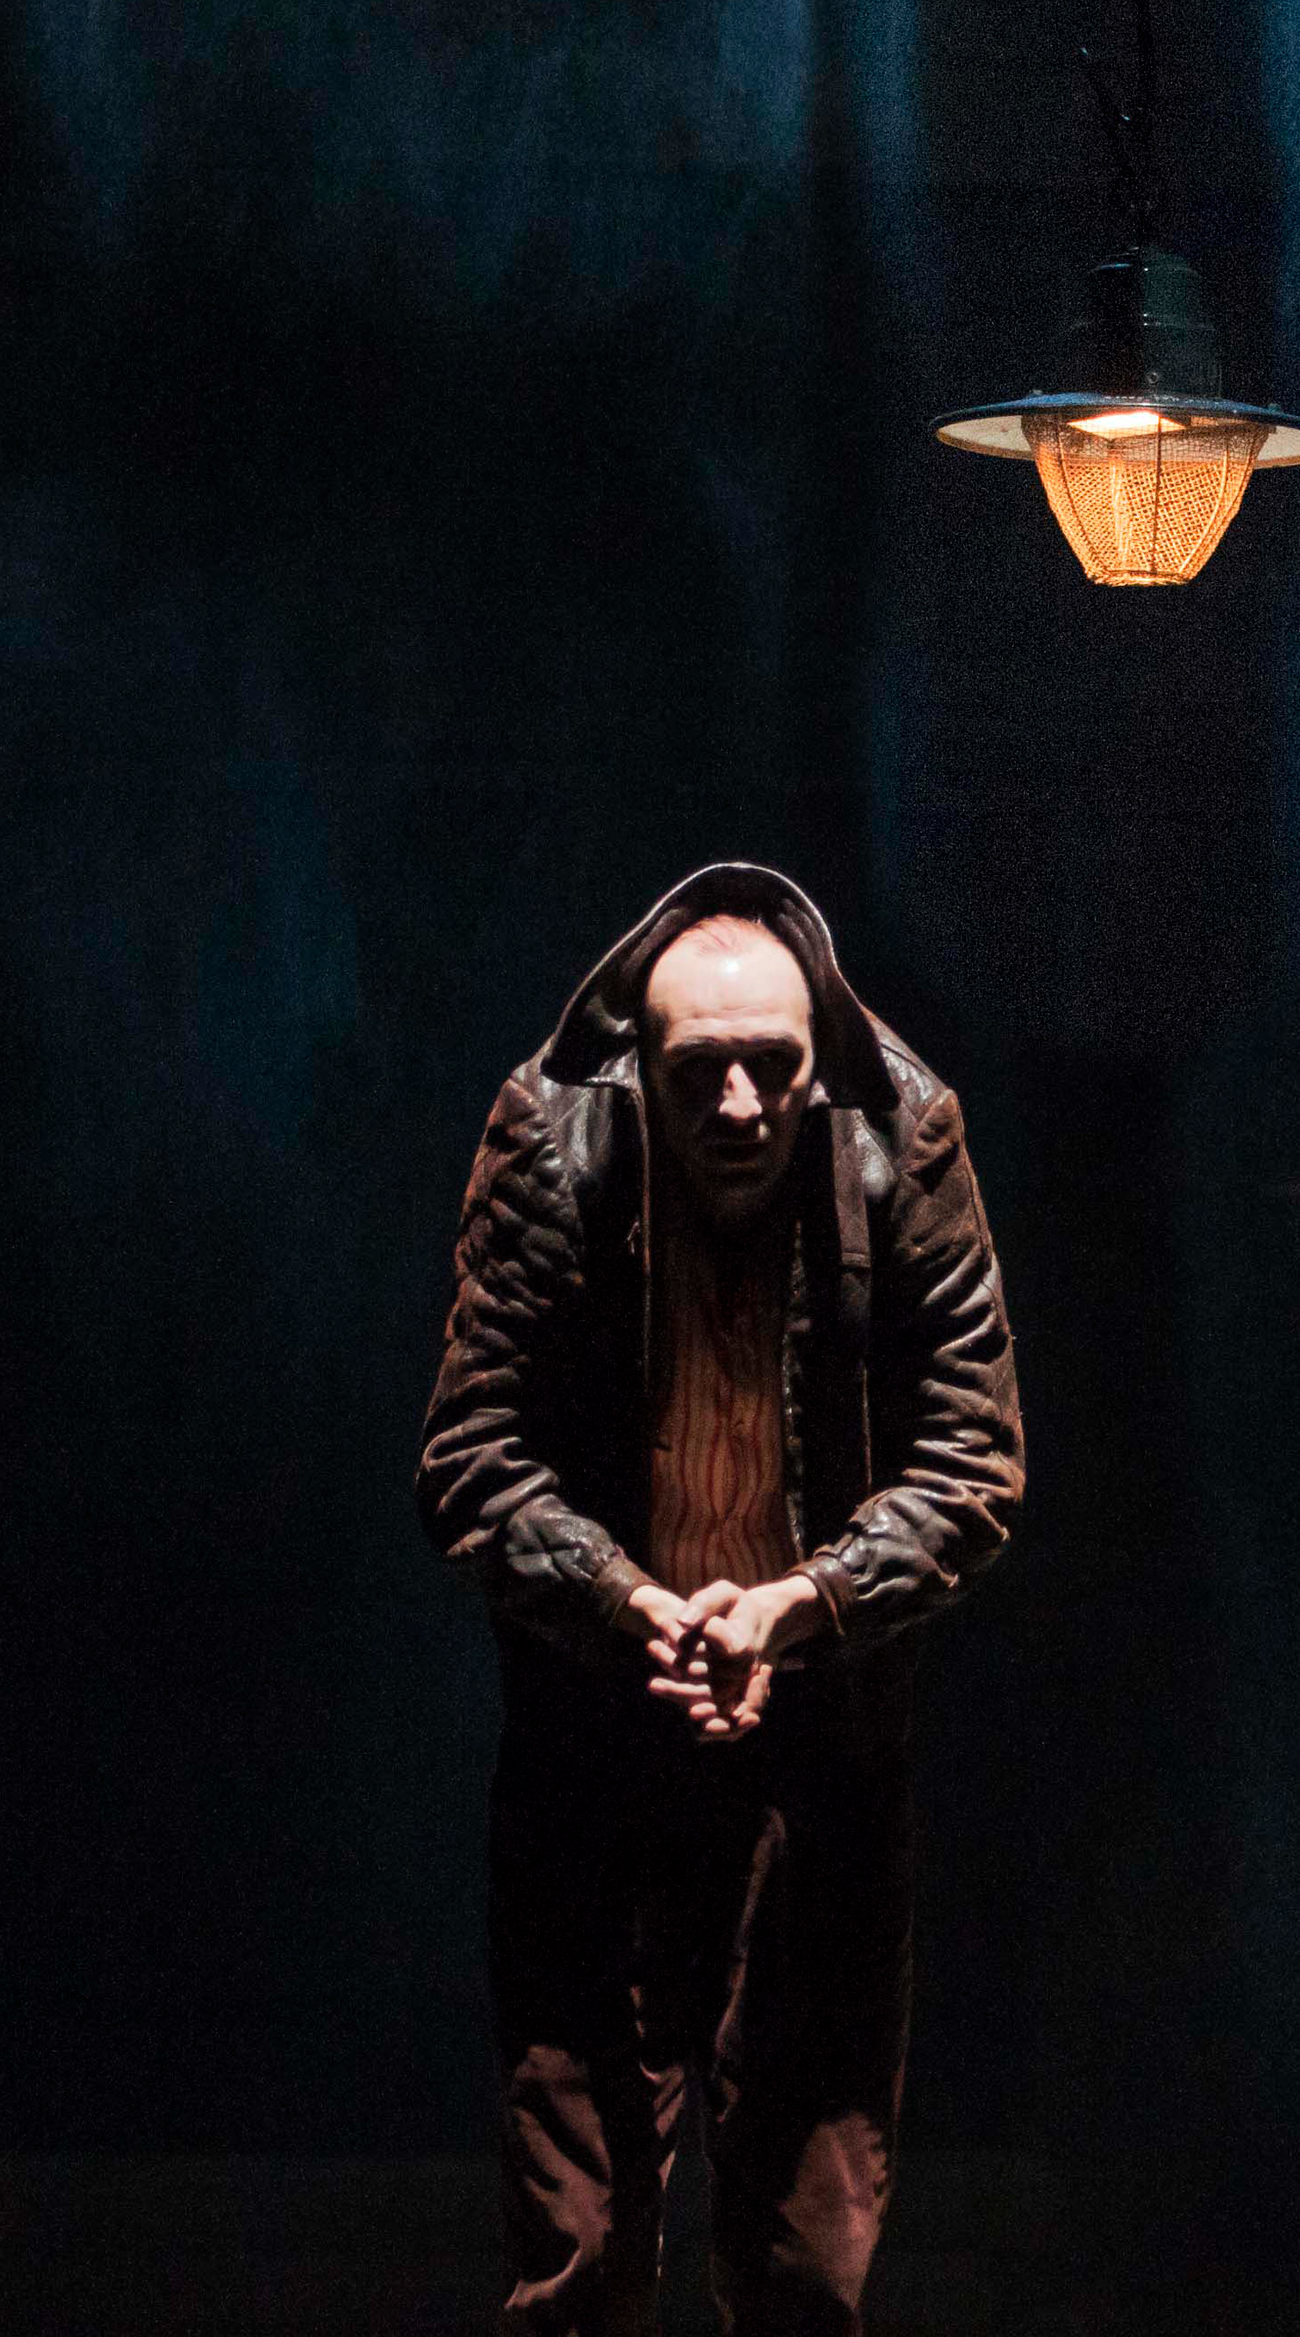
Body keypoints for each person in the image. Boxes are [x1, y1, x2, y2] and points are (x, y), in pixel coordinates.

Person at [418, 863, 1024, 2336]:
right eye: (701, 1071)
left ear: (820, 1058)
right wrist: (632, 1604)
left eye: (774, 1068)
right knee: (579, 2251)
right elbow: (471, 1455)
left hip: (824, 1755)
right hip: (591, 1745)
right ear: (641, 1062)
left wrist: (796, 1608)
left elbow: (975, 1463)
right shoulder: (552, 1140)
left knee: (807, 2259)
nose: (741, 1106)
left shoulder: (903, 1136)